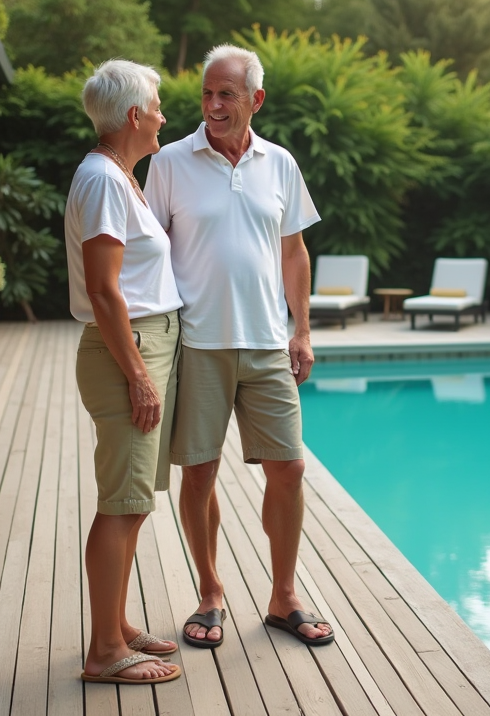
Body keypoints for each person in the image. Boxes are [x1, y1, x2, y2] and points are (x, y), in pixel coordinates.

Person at [145, 44, 334, 648]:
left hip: (267, 344)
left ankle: (283, 597)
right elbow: (147, 251)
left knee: (291, 467)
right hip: (197, 343)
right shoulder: (170, 162)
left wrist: (301, 329)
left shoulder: (280, 164)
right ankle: (210, 592)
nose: (214, 104)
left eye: (227, 93)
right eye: (207, 93)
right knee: (198, 475)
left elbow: (293, 251)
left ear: (256, 99)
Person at [68, 59, 184, 684]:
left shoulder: (115, 175)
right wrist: (138, 374)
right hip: (128, 351)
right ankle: (106, 652)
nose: (165, 116)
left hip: (137, 346)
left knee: (130, 503)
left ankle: (115, 625)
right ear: (134, 116)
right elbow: (105, 291)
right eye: (159, 106)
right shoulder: (106, 182)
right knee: (123, 503)